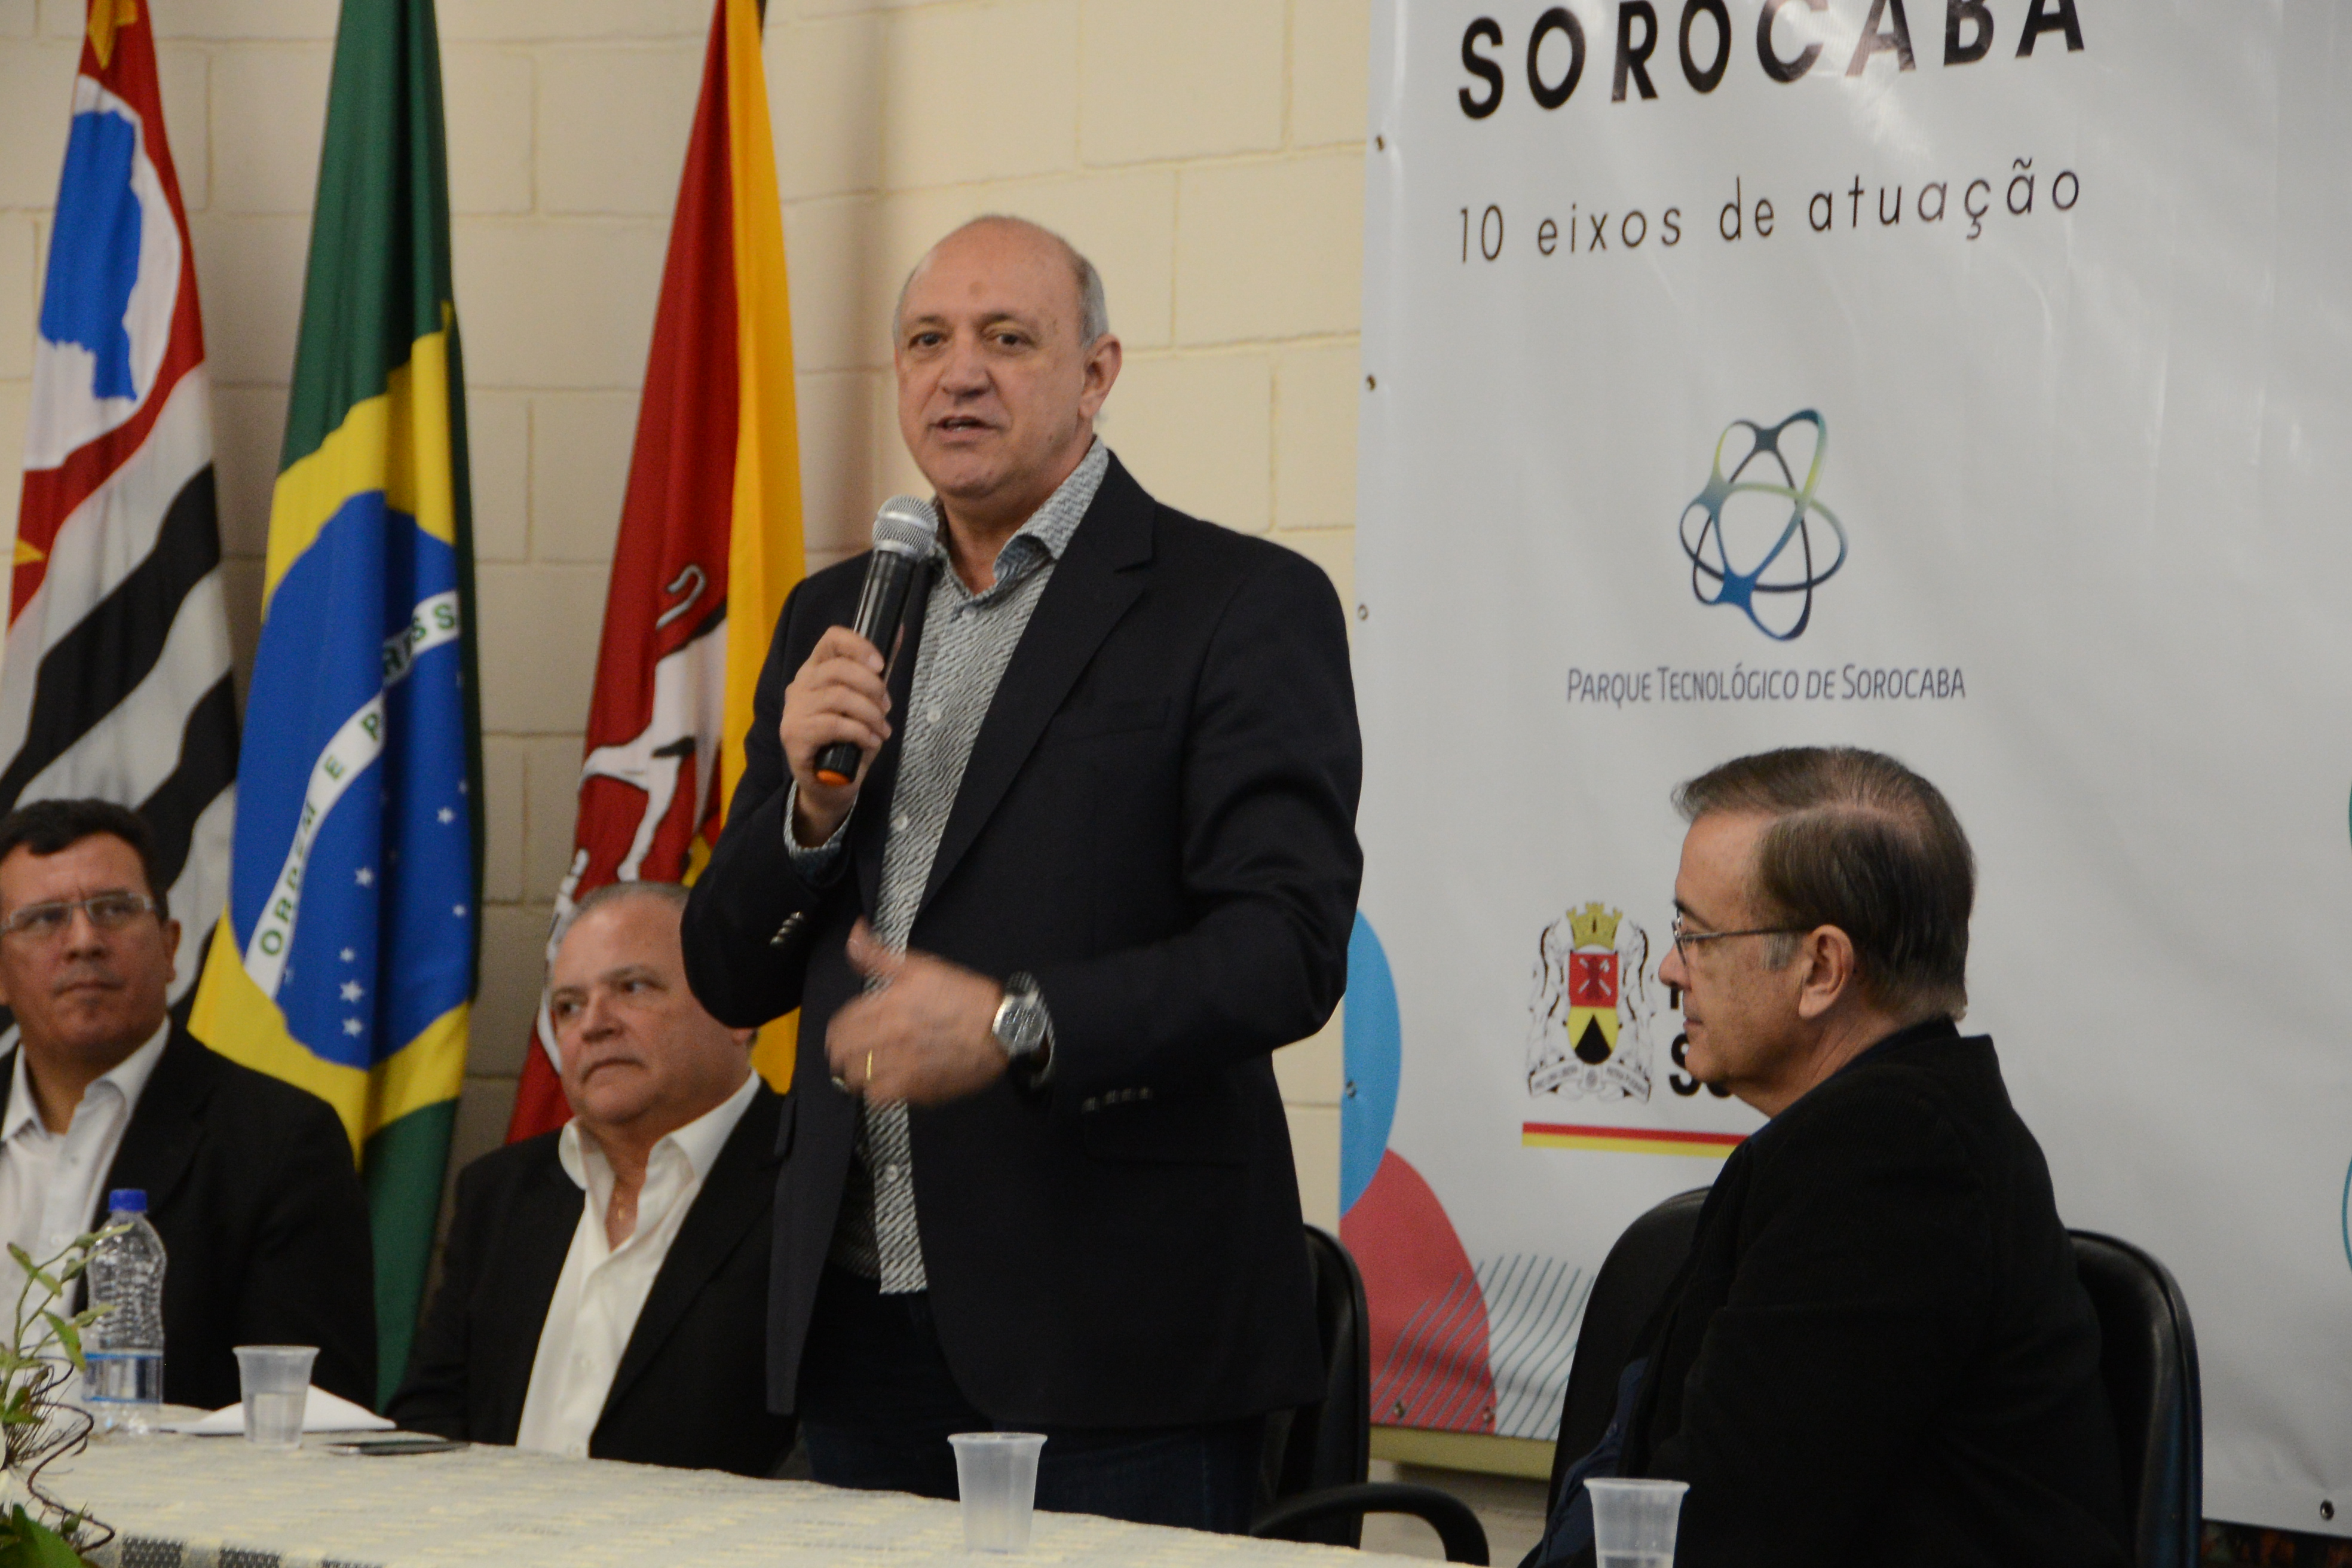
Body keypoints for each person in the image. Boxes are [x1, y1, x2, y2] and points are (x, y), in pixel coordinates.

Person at [682, 215, 1361, 1529]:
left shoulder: (1236, 602)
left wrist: (1015, 1021)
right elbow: (724, 970)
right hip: (852, 1313)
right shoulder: (834, 616)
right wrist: (808, 811)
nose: (960, 374)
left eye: (1007, 338)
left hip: (1115, 1337)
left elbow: (1285, 947)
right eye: (927, 341)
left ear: (1096, 374)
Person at [1527, 747, 2129, 1568]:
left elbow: (1725, 1532)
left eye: (1696, 937)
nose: (1669, 970)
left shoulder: (1896, 1165)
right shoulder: (1884, 1134)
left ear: (1820, 968)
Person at [392, 882, 794, 1476]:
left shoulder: (817, 1184)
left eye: (633, 988)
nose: (594, 1025)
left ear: (735, 1013)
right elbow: (427, 1423)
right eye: (568, 1006)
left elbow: (837, 1451)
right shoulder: (500, 1194)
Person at [0, 798, 375, 1409]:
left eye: (114, 909)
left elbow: (311, 1416)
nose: (84, 941)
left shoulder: (281, 1142)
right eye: (44, 919)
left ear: (171, 947)